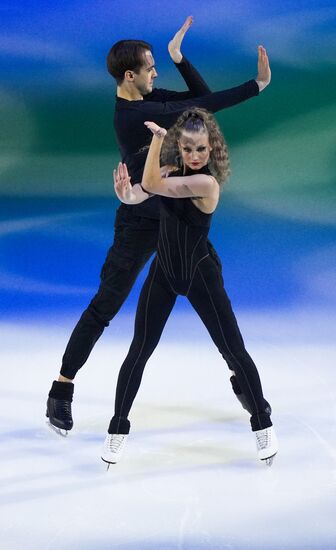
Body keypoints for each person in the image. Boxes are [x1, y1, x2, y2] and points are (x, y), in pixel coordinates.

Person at [46, 16, 272, 436]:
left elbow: (200, 99)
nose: (156, 74)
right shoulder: (134, 115)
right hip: (138, 219)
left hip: (177, 218)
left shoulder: (150, 99)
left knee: (216, 298)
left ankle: (244, 381)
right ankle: (61, 388)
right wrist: (256, 87)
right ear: (130, 76)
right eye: (151, 68)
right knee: (107, 303)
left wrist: (179, 58)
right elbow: (207, 106)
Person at [101, 109, 278, 467]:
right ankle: (117, 430)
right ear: (179, 149)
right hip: (164, 270)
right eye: (187, 149)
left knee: (233, 350)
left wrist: (156, 140)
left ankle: (262, 422)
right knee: (139, 351)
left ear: (212, 149)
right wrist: (125, 197)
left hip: (200, 274)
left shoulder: (207, 185)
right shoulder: (169, 172)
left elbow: (151, 184)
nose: (194, 156)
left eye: (201, 149)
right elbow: (142, 194)